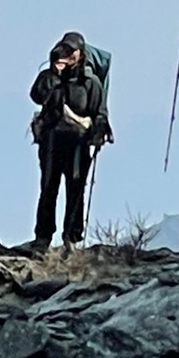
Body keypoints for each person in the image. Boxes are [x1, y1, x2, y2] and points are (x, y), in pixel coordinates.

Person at [29, 32, 108, 251]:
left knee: (75, 188)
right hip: (52, 140)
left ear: (81, 53)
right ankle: (42, 237)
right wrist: (54, 74)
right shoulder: (50, 77)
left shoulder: (90, 83)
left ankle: (71, 238)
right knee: (48, 187)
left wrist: (98, 132)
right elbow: (36, 95)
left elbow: (100, 112)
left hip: (78, 143)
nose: (67, 55)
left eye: (71, 51)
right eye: (64, 50)